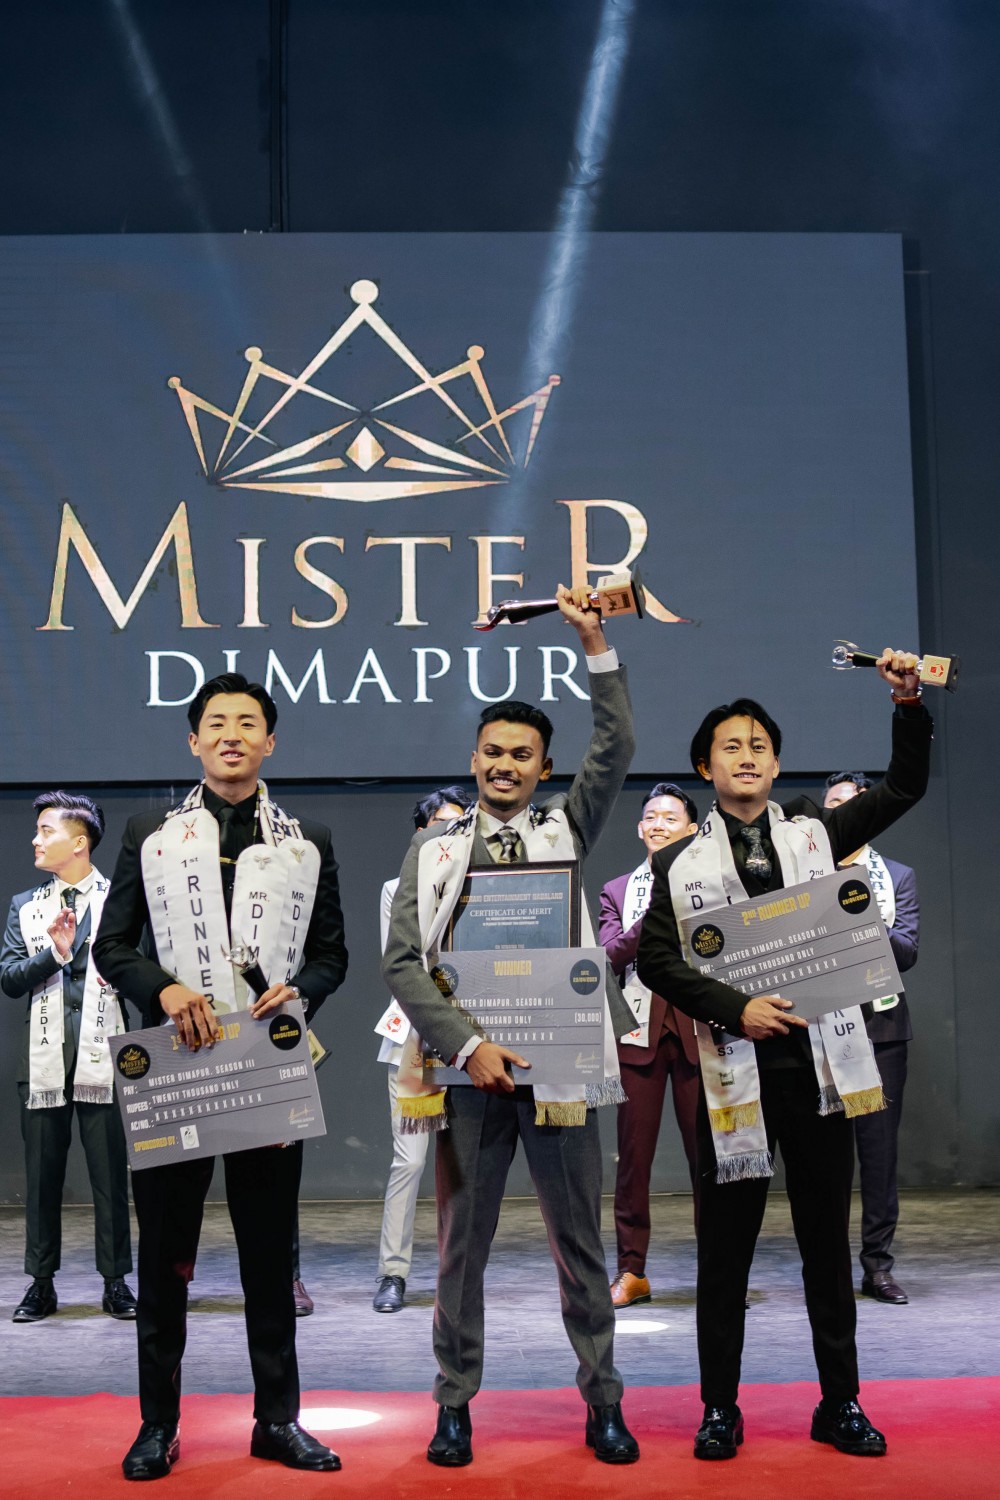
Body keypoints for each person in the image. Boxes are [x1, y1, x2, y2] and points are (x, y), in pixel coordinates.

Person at [636, 651, 932, 1462]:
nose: (748, 755)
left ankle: (840, 1403)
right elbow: (659, 962)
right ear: (706, 766)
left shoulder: (815, 833)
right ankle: (719, 1409)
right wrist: (738, 1007)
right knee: (724, 1252)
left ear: (775, 760)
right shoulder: (675, 864)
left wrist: (907, 706)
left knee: (823, 1245)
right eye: (731, 745)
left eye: (760, 744)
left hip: (821, 1071)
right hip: (734, 1070)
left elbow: (904, 788)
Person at [382, 585, 640, 1468]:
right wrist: (468, 1043)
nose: (504, 766)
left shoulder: (567, 827)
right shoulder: (436, 847)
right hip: (469, 1076)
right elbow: (403, 962)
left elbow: (618, 746)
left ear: (541, 767)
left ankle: (604, 1401)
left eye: (522, 756)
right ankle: (453, 1404)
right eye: (492, 752)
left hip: (560, 1068)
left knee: (579, 1242)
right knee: (461, 1250)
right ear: (475, 756)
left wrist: (593, 644)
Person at [93, 673, 348, 1481]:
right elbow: (112, 946)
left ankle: (277, 1420)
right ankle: (156, 1426)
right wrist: (163, 990)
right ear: (194, 742)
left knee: (270, 1258)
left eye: (248, 723)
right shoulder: (150, 834)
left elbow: (331, 954)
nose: (232, 735)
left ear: (270, 741)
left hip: (265, 1072)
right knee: (165, 1255)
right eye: (216, 723)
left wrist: (302, 990)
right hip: (178, 1069)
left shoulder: (307, 840)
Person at [1, 792, 135, 1324]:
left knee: (110, 1178)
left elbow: (138, 969)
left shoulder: (120, 900)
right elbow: (10, 979)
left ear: (79, 842)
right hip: (43, 1062)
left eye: (46, 830)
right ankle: (40, 1284)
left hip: (106, 1057)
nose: (35, 839)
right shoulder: (25, 906)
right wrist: (53, 954)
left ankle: (116, 1280)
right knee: (41, 1177)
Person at [599, 782, 701, 1309]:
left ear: (692, 829)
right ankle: (631, 1271)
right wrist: (656, 905)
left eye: (670, 816)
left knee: (710, 1157)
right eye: (651, 817)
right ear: (640, 829)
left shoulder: (714, 883)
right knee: (632, 1162)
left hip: (700, 1033)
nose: (659, 824)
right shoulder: (619, 890)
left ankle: (720, 1267)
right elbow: (607, 956)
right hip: (637, 1036)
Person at [373, 784, 474, 1314]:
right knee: (410, 1162)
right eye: (441, 825)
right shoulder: (397, 889)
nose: (451, 835)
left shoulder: (484, 883)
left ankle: (458, 1275)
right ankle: (393, 1272)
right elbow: (402, 966)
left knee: (466, 1166)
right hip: (415, 1036)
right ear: (421, 833)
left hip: (478, 1038)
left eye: (461, 825)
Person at [823, 771, 920, 1304]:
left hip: (882, 1029)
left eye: (853, 803)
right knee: (827, 1156)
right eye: (832, 805)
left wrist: (858, 914)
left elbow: (906, 951)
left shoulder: (897, 876)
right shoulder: (803, 876)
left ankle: (878, 1265)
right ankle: (830, 1261)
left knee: (878, 1156)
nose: (843, 812)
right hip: (820, 1029)